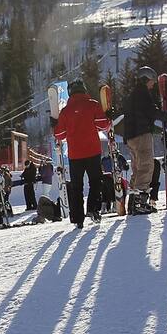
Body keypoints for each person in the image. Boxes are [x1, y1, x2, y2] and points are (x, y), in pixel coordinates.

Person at [54, 79, 110, 227]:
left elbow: (59, 135)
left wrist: (54, 125)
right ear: (84, 90)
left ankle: (77, 218)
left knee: (76, 187)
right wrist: (108, 115)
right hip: (93, 152)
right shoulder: (93, 105)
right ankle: (93, 209)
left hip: (75, 155)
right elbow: (104, 125)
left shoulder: (65, 111)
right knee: (96, 182)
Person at [121, 67, 160, 215]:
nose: (153, 85)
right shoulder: (142, 93)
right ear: (145, 79)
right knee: (146, 165)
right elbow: (149, 111)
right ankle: (140, 202)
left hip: (131, 136)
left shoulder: (132, 95)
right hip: (141, 134)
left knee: (137, 168)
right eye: (152, 81)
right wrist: (164, 116)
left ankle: (133, 201)